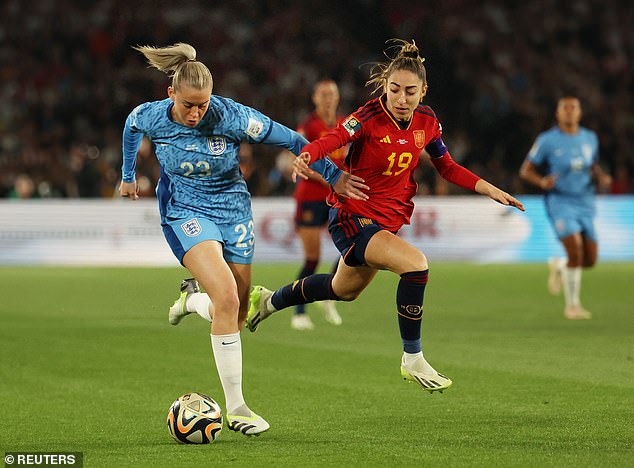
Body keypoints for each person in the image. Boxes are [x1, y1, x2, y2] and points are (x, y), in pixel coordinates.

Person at [246, 39, 524, 394]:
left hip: (385, 220)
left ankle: (267, 301)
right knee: (416, 265)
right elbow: (332, 137)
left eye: (410, 91)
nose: (401, 98)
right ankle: (412, 357)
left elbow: (447, 167)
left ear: (423, 91)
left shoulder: (428, 121)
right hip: (352, 216)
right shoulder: (367, 117)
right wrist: (309, 154)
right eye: (395, 90)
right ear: (385, 88)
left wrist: (487, 188)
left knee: (341, 290)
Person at [119, 43, 366, 435]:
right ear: (171, 95)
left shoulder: (232, 116)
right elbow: (132, 126)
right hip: (185, 212)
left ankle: (192, 300)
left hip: (233, 210)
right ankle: (237, 408)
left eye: (203, 105)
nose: (197, 113)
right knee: (229, 295)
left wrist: (333, 175)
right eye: (188, 106)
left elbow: (293, 140)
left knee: (235, 312)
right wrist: (128, 174)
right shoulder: (152, 115)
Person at [519, 96, 612, 320]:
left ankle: (560, 266)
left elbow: (592, 164)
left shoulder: (590, 138)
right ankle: (572, 306)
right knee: (575, 250)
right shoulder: (547, 140)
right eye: (565, 108)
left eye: (574, 108)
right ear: (558, 114)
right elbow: (526, 170)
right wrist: (542, 182)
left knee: (589, 260)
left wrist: (601, 177)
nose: (570, 112)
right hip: (560, 201)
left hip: (586, 202)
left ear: (580, 113)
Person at [291, 80, 347, 330]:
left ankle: (328, 294)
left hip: (337, 195)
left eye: (332, 94)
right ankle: (299, 312)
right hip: (311, 197)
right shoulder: (308, 125)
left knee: (352, 248)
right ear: (315, 98)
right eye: (323, 94)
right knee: (312, 259)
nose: (328, 98)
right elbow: (302, 160)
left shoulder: (345, 125)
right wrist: (330, 180)